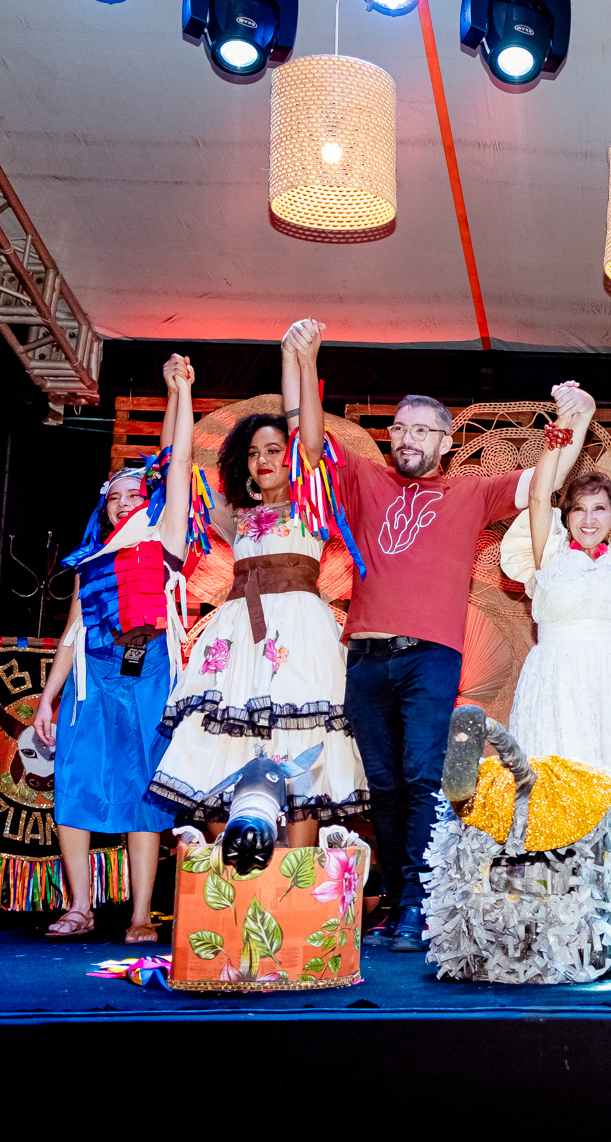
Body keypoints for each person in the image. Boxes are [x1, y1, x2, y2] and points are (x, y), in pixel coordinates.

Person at [304, 331, 597, 953]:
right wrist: (303, 361)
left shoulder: (470, 491)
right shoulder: (365, 478)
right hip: (366, 657)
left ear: (445, 441)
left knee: (422, 777)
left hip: (431, 657)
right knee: (382, 784)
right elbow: (308, 441)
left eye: (421, 431)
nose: (407, 439)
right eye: (399, 429)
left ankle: (419, 906)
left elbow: (543, 481)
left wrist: (576, 419)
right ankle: (395, 901)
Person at [150, 320, 368, 854]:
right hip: (236, 638)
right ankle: (231, 873)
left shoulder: (313, 503)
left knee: (302, 744)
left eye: (273, 450)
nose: (264, 459)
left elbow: (308, 438)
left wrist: (298, 360)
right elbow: (176, 466)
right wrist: (180, 394)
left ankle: (295, 875)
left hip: (299, 632)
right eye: (253, 453)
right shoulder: (234, 516)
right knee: (223, 743)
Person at [495, 385, 611, 966]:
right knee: (549, 791)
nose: (589, 519)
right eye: (579, 509)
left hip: (608, 684)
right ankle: (544, 922)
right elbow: (538, 491)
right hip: (553, 680)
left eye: (600, 509)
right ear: (566, 517)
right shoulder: (547, 552)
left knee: (610, 788)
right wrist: (563, 430)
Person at [33, 352, 195, 941]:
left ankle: (140, 915)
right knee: (75, 779)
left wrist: (179, 392)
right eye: (114, 498)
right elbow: (71, 634)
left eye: (133, 495)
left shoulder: (165, 537)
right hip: (92, 677)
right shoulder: (92, 561)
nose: (124, 503)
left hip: (150, 672)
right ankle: (79, 906)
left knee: (144, 786)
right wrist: (47, 699)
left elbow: (177, 464)